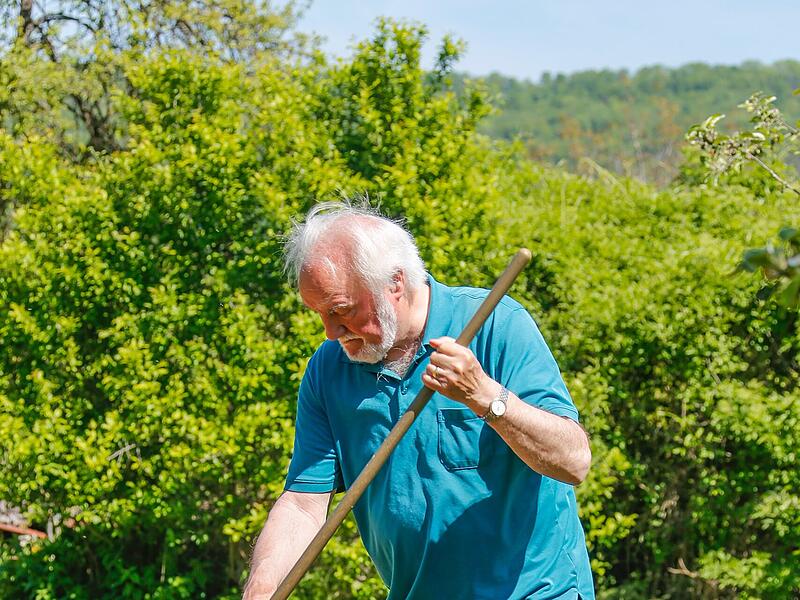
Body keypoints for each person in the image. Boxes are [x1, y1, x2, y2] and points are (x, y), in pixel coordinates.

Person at [243, 202, 595, 599]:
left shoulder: (497, 325)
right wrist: (262, 588)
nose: (329, 332)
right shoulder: (329, 370)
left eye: (341, 310)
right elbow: (303, 505)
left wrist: (485, 397)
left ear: (395, 283)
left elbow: (573, 461)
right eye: (319, 313)